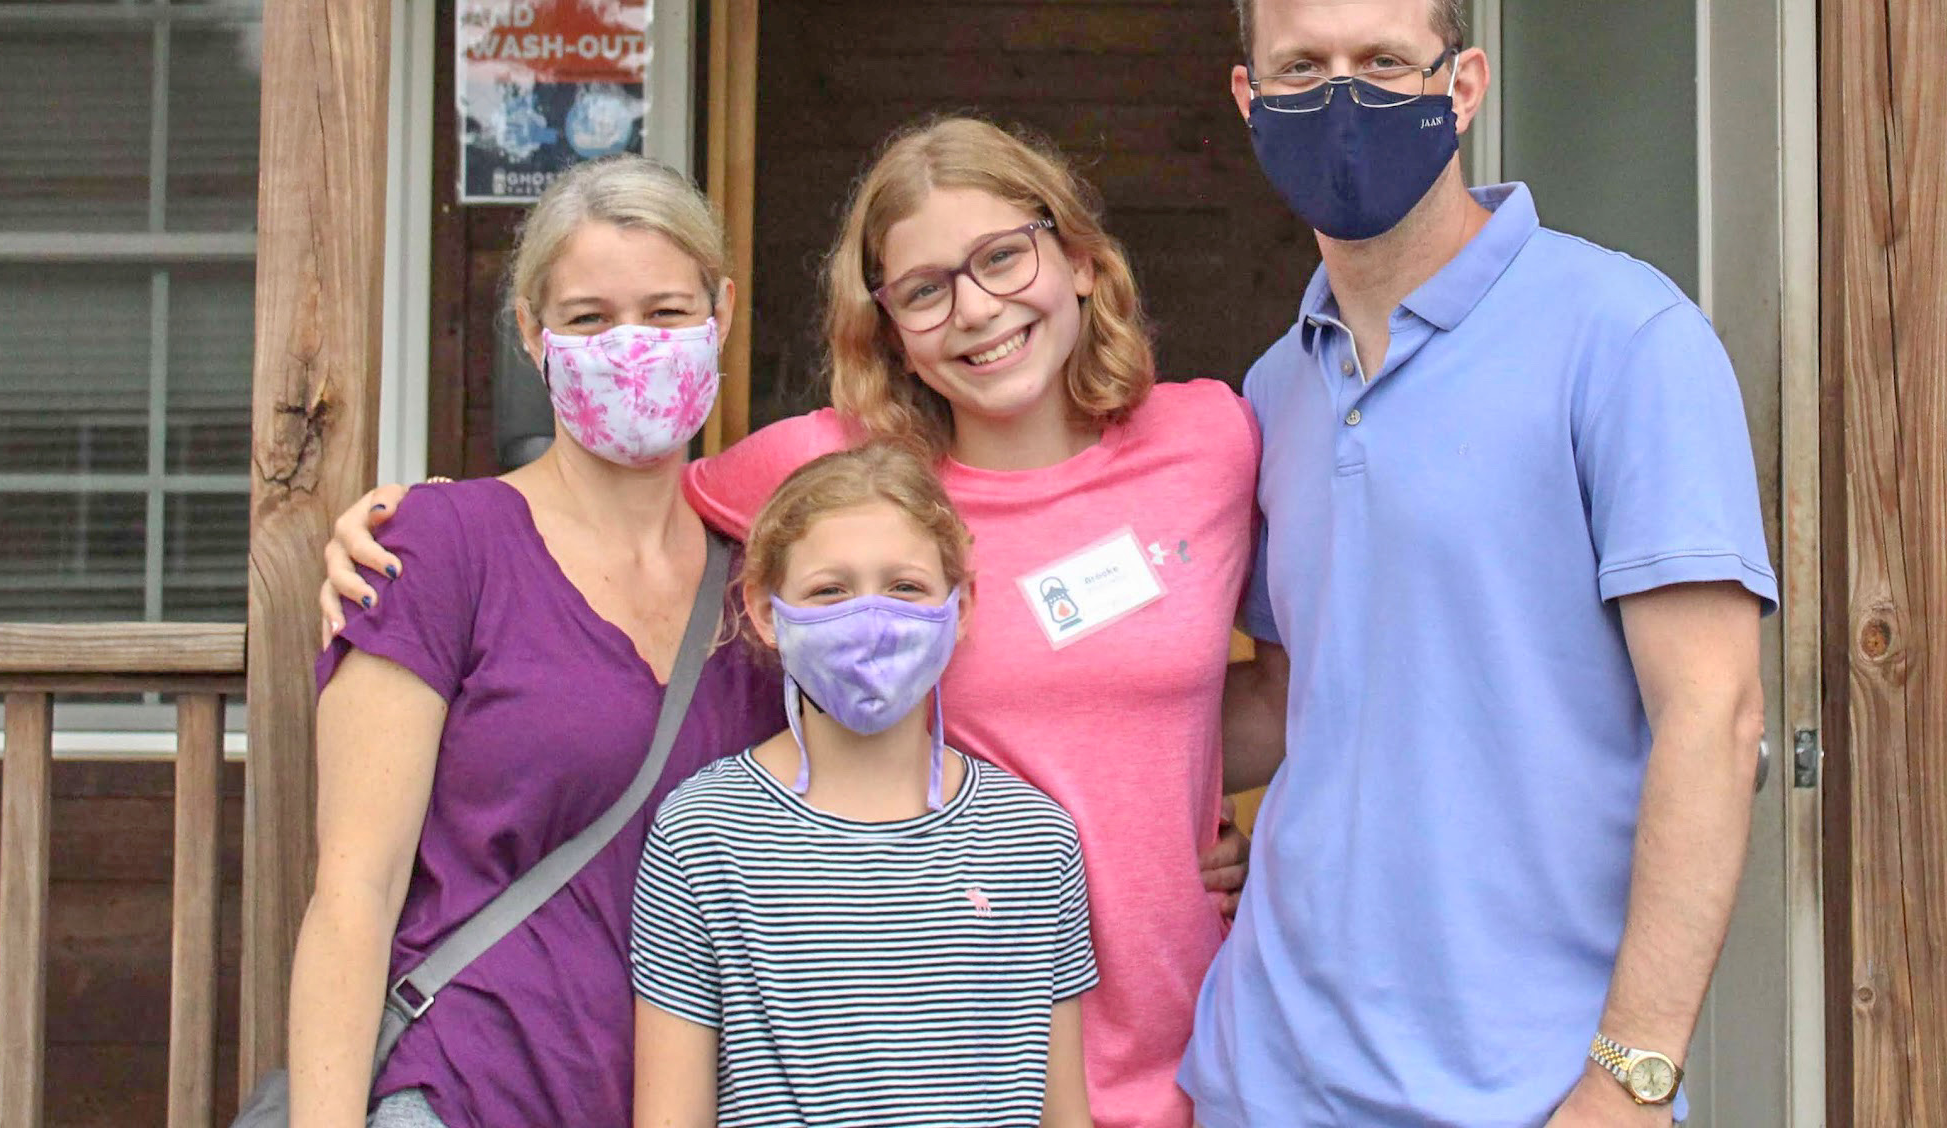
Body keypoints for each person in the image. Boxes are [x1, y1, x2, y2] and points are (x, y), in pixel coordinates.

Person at [326, 117, 1261, 1128]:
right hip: (931, 1053)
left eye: (1002, 256)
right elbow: (620, 491)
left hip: (1179, 1043)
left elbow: (1269, 689)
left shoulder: (1212, 439)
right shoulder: (833, 471)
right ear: (890, 323)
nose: (978, 307)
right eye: (925, 288)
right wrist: (418, 521)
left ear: (1078, 255)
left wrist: (1195, 820)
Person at [1181, 0, 1778, 1128]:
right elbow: (1295, 706)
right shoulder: (1275, 384)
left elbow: (1714, 719)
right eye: (1301, 67)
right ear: (1249, 100)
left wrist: (1631, 1078)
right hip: (1262, 1074)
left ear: (1461, 85)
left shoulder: (1625, 339)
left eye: (1382, 62)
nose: (1341, 98)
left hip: (1527, 1090)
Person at [289, 159, 786, 1128]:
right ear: (532, 332)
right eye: (592, 318)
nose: (633, 346)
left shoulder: (773, 581)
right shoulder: (439, 548)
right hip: (472, 1090)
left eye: (668, 311)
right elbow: (354, 887)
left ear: (721, 312)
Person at [633, 443, 1098, 1128]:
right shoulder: (704, 832)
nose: (872, 621)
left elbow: (1063, 1111)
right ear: (766, 611)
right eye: (830, 590)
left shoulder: (1034, 840)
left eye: (905, 587)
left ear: (961, 606)